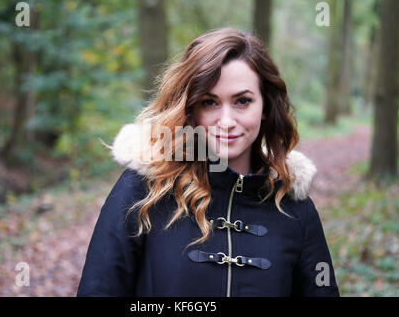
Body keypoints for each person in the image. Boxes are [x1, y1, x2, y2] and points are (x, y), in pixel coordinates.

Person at [77, 27, 340, 297]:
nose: (226, 122)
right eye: (209, 102)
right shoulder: (142, 191)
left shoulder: (294, 206)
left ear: (265, 107)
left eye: (242, 101)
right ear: (190, 110)